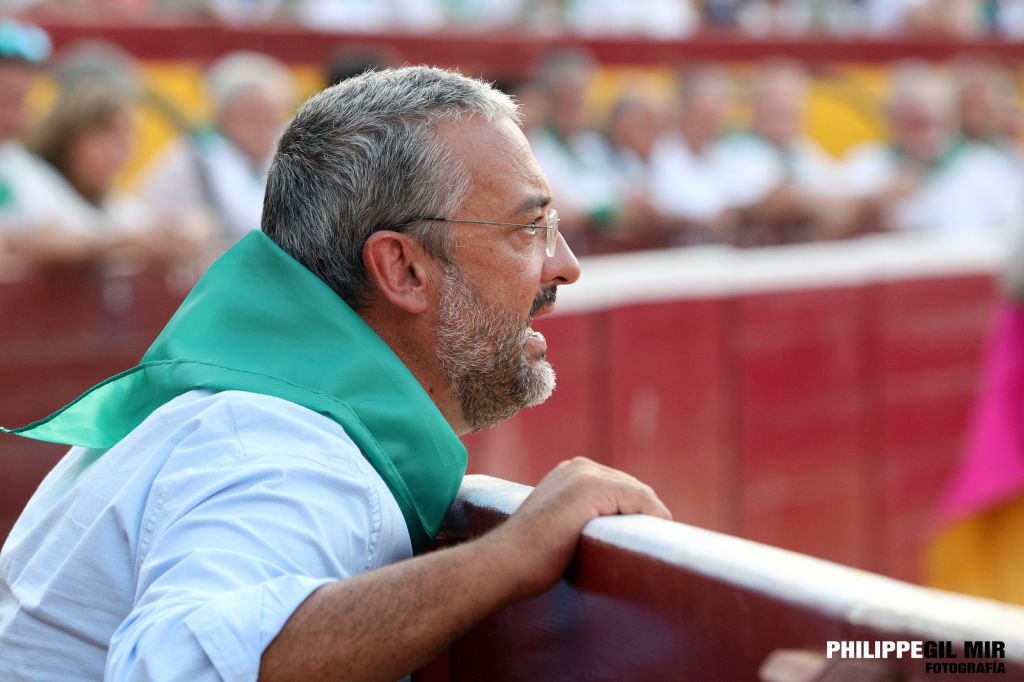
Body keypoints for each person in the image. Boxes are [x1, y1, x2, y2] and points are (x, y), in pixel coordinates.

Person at [0, 66, 670, 681]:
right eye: (528, 227)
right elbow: (177, 667)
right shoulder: (279, 440)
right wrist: (504, 559)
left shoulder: (265, 412)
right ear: (404, 269)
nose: (565, 263)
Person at [138, 51, 295, 245]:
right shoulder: (194, 155)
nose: (266, 128)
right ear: (224, 116)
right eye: (255, 116)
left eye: (273, 117)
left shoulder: (281, 154)